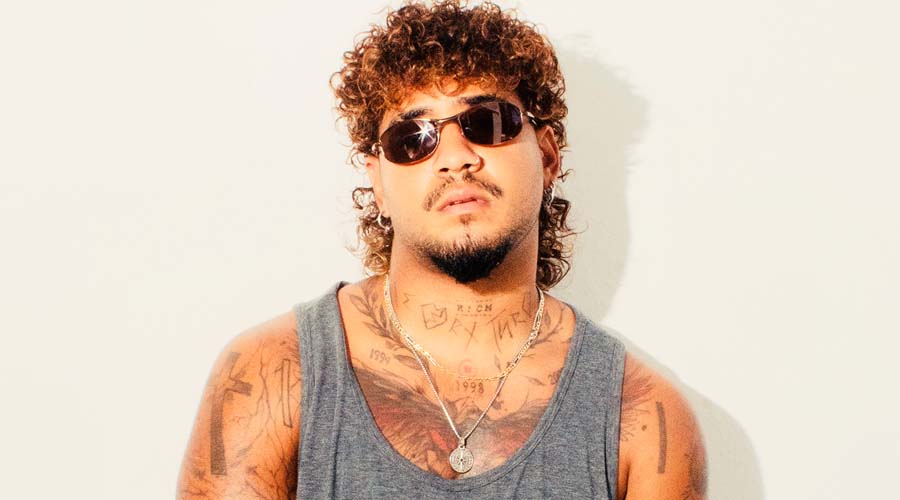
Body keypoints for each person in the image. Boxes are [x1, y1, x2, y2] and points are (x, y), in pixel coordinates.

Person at [177, 1, 707, 498]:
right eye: (412, 138)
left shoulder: (644, 419)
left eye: (488, 122)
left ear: (547, 157)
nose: (455, 157)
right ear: (378, 183)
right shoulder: (270, 375)